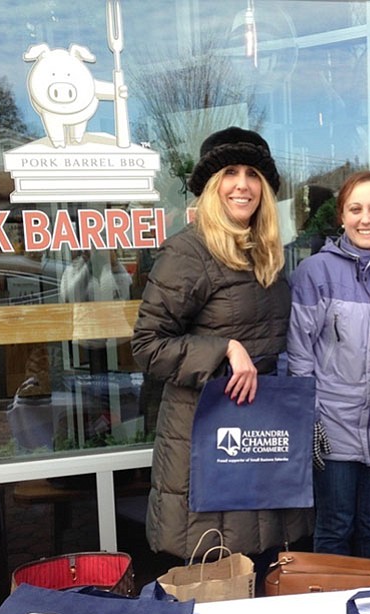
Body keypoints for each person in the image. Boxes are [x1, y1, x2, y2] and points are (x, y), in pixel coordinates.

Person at [131, 127, 313, 562]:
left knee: (266, 566)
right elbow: (147, 345)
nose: (243, 184)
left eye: (253, 174)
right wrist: (224, 349)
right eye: (230, 172)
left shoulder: (266, 252)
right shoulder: (189, 252)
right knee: (216, 574)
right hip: (207, 437)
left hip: (261, 430)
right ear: (213, 187)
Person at [287, 170, 370, 559]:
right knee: (335, 525)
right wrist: (311, 419)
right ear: (341, 216)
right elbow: (299, 354)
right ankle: (329, 607)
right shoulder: (316, 273)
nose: (366, 218)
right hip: (333, 429)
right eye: (355, 209)